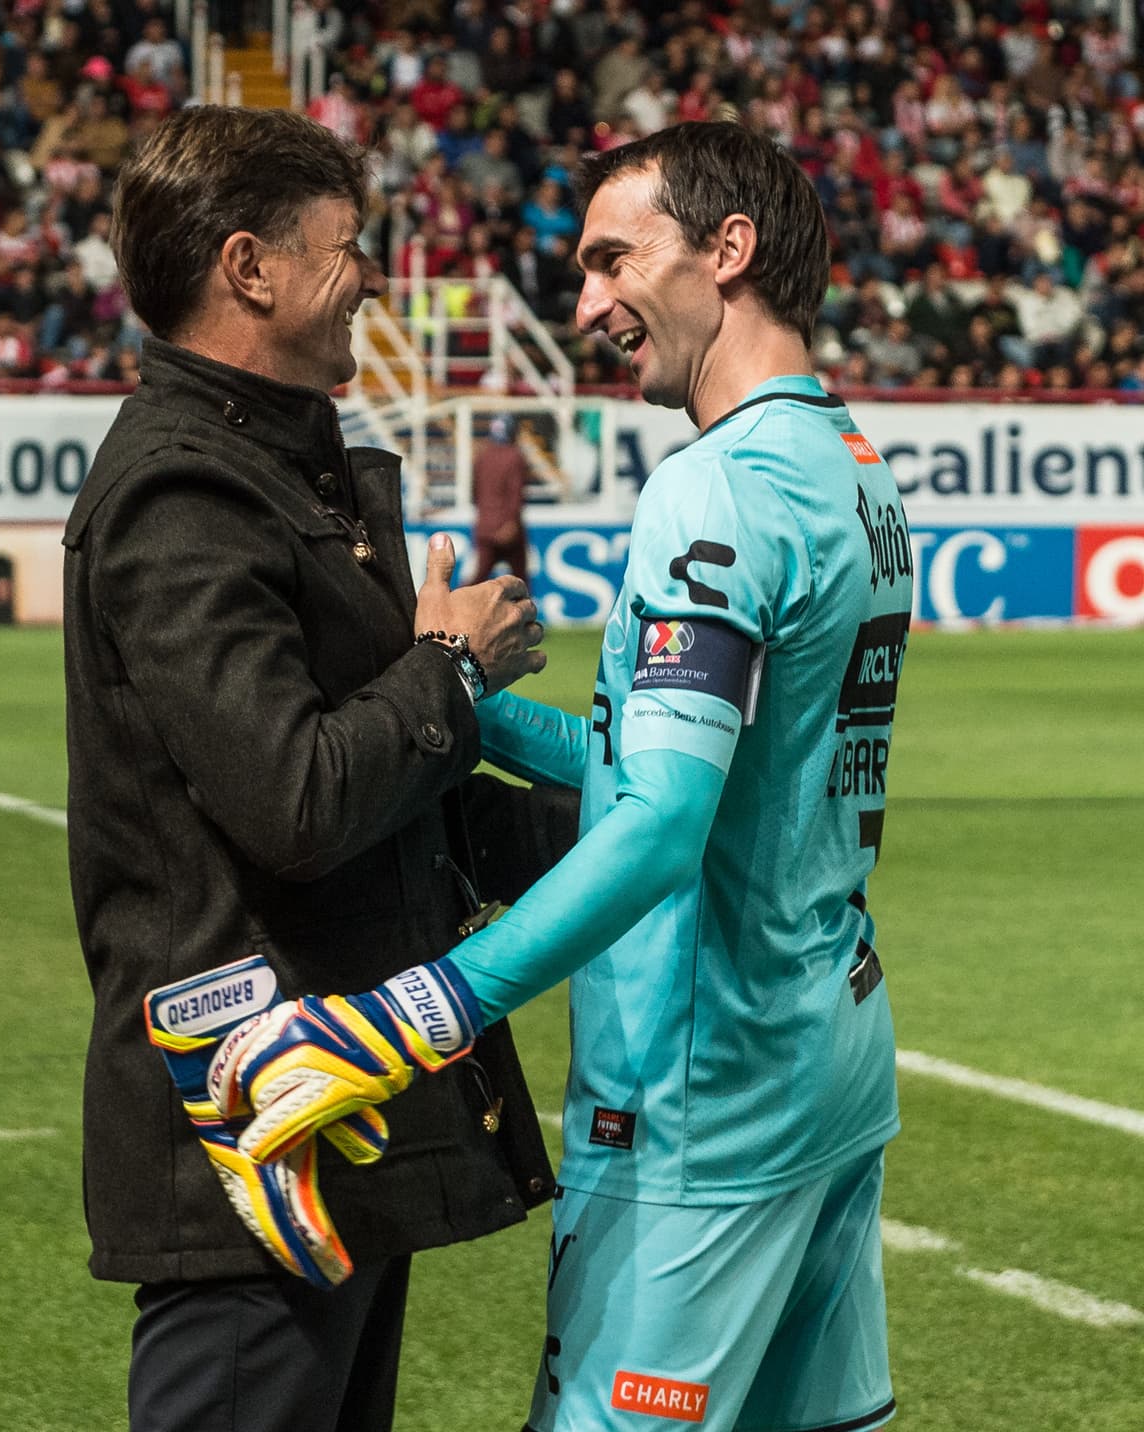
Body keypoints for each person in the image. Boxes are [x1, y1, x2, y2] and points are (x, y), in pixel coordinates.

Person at [189, 120, 914, 1432]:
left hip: (698, 1095)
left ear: (728, 250)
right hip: (830, 1056)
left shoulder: (711, 492)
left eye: (611, 259)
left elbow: (660, 824)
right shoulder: (849, 468)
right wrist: (460, 692)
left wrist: (417, 1012)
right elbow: (684, 773)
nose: (585, 305)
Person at [61, 105, 578, 1432]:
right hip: (250, 1126)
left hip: (328, 1109)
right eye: (347, 246)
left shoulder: (279, 469)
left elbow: (396, 813)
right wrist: (451, 665)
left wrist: (628, 825)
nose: (372, 280)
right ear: (249, 267)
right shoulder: (184, 494)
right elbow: (300, 799)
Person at [472, 413, 529, 583]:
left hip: (484, 526)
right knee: (520, 581)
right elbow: (515, 494)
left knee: (479, 576)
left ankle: (457, 598)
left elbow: (475, 492)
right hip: (508, 528)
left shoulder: (482, 456)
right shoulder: (514, 456)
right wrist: (511, 522)